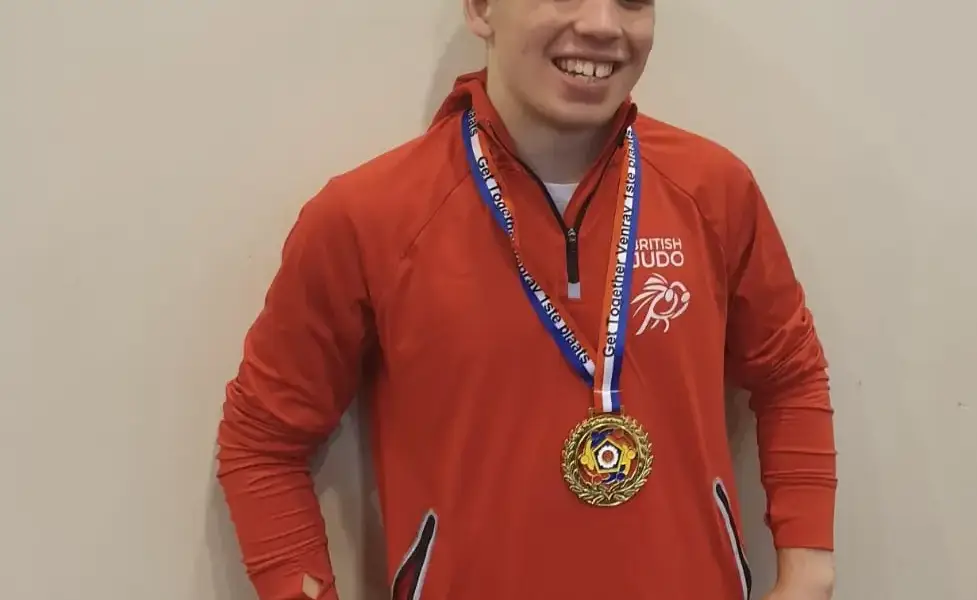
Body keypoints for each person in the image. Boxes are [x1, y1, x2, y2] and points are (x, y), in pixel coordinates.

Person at [215, 0, 838, 598]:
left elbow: (790, 374)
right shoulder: (369, 217)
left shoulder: (714, 190)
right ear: (482, 7)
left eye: (632, 0)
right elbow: (262, 438)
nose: (601, 25)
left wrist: (809, 574)